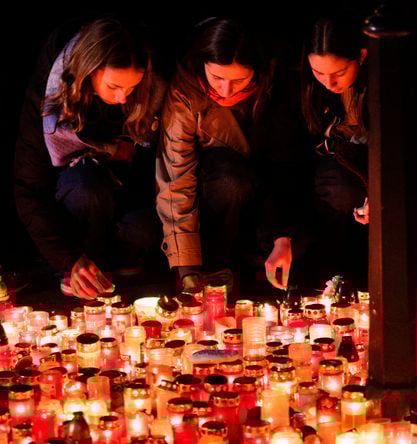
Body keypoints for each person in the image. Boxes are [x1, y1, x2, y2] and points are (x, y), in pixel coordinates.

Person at [14, 17, 165, 298]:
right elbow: (28, 188)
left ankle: (117, 263)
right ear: (89, 71)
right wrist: (68, 259)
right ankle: (80, 271)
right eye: (114, 86)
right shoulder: (52, 97)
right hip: (76, 203)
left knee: (144, 229)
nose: (123, 98)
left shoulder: (148, 92)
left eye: (131, 88)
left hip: (123, 197)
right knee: (86, 184)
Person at [156, 17, 310, 291]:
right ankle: (218, 265)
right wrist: (187, 266)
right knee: (229, 177)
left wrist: (282, 236)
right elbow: (176, 176)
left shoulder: (276, 88)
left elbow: (285, 165)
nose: (225, 90)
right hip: (217, 197)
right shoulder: (185, 95)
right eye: (217, 77)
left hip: (268, 201)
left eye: (238, 80)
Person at [301, 14, 369, 283]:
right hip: (332, 169)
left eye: (339, 73)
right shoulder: (312, 91)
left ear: (361, 56)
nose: (329, 83)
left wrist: (378, 195)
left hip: (372, 166)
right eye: (318, 73)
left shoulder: (381, 88)